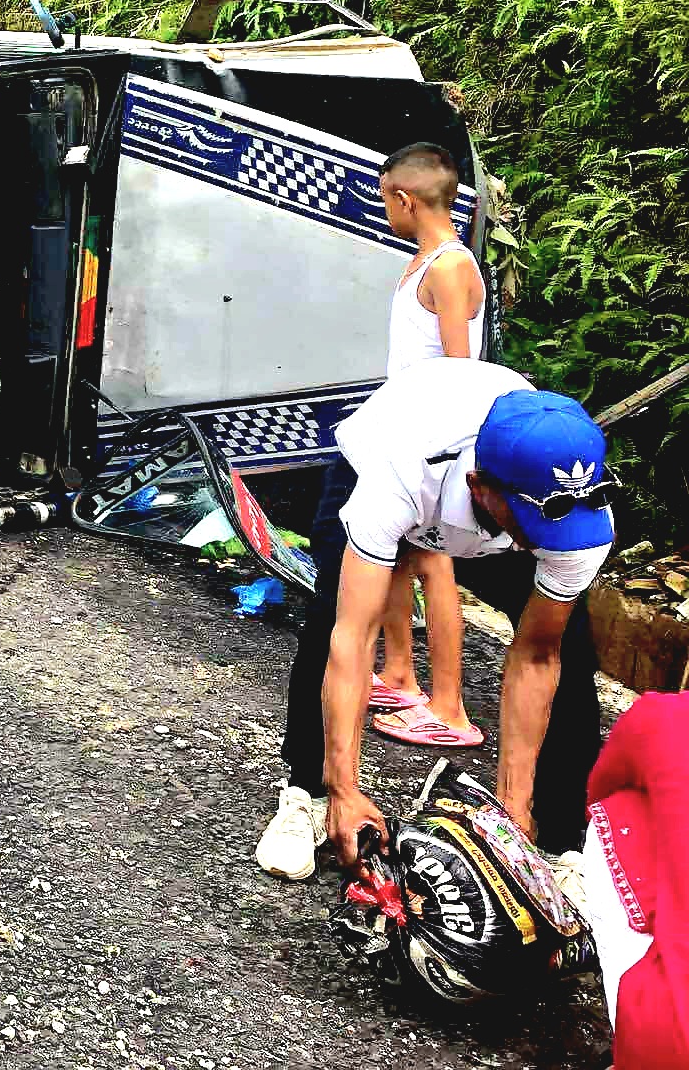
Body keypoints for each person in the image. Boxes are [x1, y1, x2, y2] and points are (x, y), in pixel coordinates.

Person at [255, 357, 613, 882]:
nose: (547, 541)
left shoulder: (576, 513)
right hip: (388, 460)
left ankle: (561, 844)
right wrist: (345, 788)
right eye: (534, 523)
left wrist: (511, 816)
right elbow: (355, 640)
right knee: (332, 617)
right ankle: (308, 794)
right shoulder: (399, 472)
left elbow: (537, 657)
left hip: (504, 499)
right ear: (480, 486)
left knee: (572, 659)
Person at [365, 142, 490, 750]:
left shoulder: (449, 266)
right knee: (392, 555)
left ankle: (450, 708)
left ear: (406, 199)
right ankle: (399, 673)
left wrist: (443, 458)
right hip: (404, 428)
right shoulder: (424, 261)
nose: (384, 210)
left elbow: (459, 370)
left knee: (436, 564)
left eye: (386, 199)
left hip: (436, 440)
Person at [578, 690, 689, 1067]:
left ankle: (634, 1043)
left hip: (671, 1037)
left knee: (621, 809)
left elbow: (599, 788)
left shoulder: (667, 717)